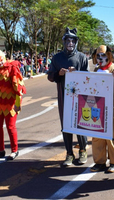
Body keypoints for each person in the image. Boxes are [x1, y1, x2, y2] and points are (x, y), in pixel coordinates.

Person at [47, 27, 89, 166]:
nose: (70, 43)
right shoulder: (57, 58)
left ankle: (83, 151)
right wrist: (59, 73)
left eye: (73, 40)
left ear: (76, 42)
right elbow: (50, 76)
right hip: (64, 97)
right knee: (66, 125)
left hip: (80, 98)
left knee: (81, 124)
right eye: (67, 40)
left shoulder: (82, 57)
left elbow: (88, 78)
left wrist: (77, 73)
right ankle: (69, 153)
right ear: (64, 42)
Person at [90, 45, 114, 173]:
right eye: (98, 56)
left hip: (113, 108)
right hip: (98, 107)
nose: (101, 59)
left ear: (109, 56)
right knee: (97, 136)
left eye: (103, 56)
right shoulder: (96, 70)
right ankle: (99, 162)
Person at [0, 47, 26, 161]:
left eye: (1, 59)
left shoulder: (12, 68)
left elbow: (18, 88)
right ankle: (0, 150)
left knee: (10, 126)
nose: (0, 62)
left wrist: (18, 103)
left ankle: (14, 150)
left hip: (10, 103)